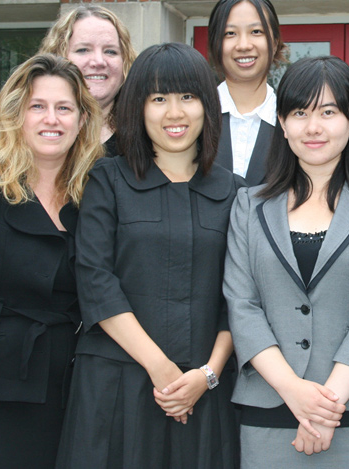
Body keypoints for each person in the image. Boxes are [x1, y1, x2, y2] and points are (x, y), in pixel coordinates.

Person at [56, 43, 239, 468]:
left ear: (208, 107)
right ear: (138, 107)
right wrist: (161, 367)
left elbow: (240, 298)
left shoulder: (235, 192)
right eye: (158, 99)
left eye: (187, 97)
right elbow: (95, 278)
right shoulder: (107, 178)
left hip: (202, 392)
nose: (174, 113)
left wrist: (206, 374)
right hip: (116, 384)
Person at [223, 56, 349, 467]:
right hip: (269, 409)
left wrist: (325, 408)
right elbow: (242, 306)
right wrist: (295, 393)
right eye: (299, 113)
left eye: (328, 112)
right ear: (282, 123)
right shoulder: (248, 206)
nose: (313, 127)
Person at [0, 54, 103, 468]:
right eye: (37, 107)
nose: (51, 120)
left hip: (68, 393)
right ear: (15, 114)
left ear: (81, 120)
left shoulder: (92, 194)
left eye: (64, 108)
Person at [208, 0, 287, 186]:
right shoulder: (195, 117)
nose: (243, 45)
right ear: (215, 43)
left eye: (256, 32)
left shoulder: (293, 122)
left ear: (275, 42)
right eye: (230, 33)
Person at [39, 4, 138, 155]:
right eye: (83, 50)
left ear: (125, 61)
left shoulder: (145, 138)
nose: (98, 61)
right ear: (57, 57)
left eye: (110, 51)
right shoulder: (31, 134)